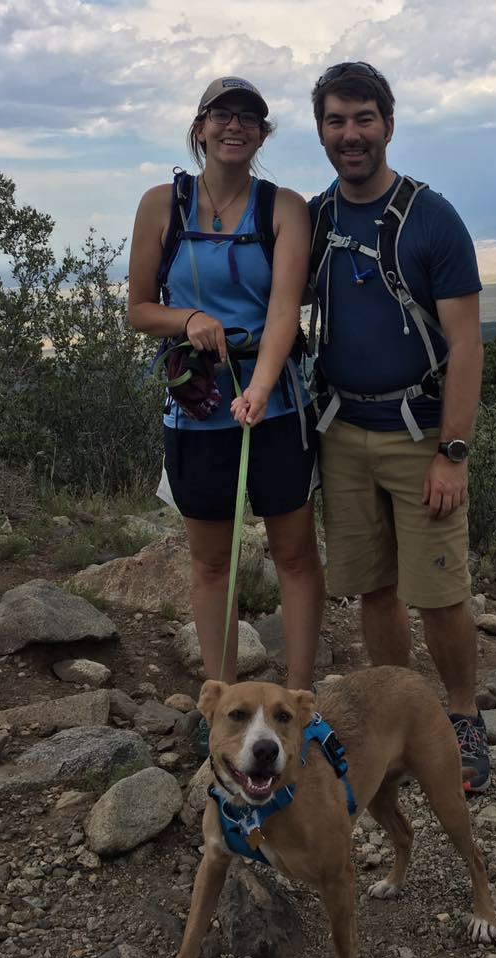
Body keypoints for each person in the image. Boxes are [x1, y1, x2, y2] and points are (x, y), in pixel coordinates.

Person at [307, 62, 490, 792]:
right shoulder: (314, 219)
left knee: (439, 593)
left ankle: (463, 717)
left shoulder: (432, 219)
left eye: (363, 119)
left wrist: (453, 452)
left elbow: (468, 345)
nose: (350, 135)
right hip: (340, 430)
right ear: (321, 129)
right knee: (374, 589)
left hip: (421, 437)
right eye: (336, 121)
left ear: (388, 121)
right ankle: (394, 720)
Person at [127, 77, 325, 728]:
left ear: (262, 134)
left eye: (249, 118)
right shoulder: (162, 205)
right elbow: (139, 310)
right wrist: (188, 319)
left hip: (274, 406)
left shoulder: (283, 208)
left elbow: (282, 311)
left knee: (295, 555)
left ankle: (297, 701)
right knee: (212, 563)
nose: (234, 126)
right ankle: (225, 706)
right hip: (195, 406)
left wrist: (263, 387)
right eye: (222, 115)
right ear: (200, 127)